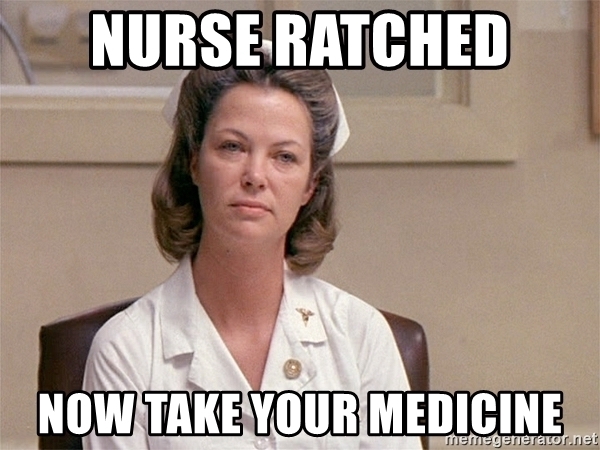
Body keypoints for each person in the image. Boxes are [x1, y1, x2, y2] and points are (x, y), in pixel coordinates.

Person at [83, 41, 421, 449]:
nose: (255, 176)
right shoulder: (126, 349)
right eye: (233, 147)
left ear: (310, 185)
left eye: (284, 157)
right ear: (194, 161)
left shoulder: (361, 335)